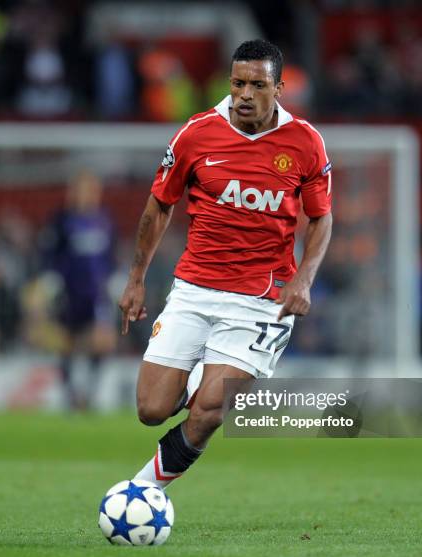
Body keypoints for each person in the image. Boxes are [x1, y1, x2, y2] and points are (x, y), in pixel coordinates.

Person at [119, 40, 333, 487]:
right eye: (238, 83)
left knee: (210, 409)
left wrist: (305, 280)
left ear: (279, 87)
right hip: (195, 288)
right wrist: (136, 279)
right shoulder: (197, 133)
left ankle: (142, 491)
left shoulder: (305, 143)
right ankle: (198, 373)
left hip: (261, 301)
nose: (245, 94)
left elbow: (321, 217)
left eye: (258, 85)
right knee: (150, 409)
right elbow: (159, 206)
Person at [41, 171, 117, 409]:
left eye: (91, 190)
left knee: (102, 341)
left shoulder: (104, 221)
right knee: (67, 344)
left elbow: (110, 256)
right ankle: (71, 395)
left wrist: (114, 279)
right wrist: (51, 280)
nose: (87, 195)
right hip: (69, 292)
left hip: (96, 293)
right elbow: (50, 254)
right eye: (82, 190)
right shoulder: (62, 221)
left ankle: (91, 393)